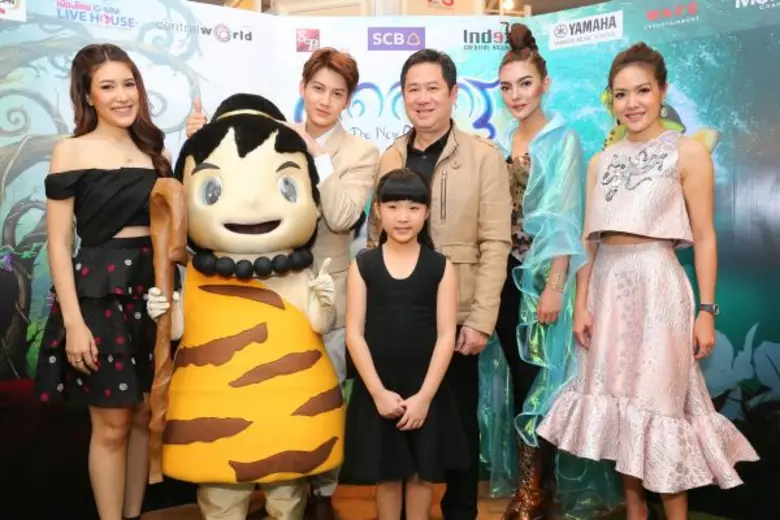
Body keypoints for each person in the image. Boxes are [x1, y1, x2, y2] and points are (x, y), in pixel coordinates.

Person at [536, 42, 759, 520]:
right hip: (607, 289)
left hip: (659, 286)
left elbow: (704, 236)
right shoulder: (600, 162)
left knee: (659, 409)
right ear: (610, 100)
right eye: (621, 94)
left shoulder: (687, 153)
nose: (632, 103)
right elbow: (588, 239)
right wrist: (581, 302)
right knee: (623, 414)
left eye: (642, 91)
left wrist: (707, 310)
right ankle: (636, 513)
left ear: (662, 91)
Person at [184, 47, 379, 519]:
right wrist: (199, 141)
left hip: (324, 297)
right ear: (302, 88)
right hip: (261, 299)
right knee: (264, 403)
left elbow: (343, 217)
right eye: (318, 89)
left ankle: (322, 497)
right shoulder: (273, 136)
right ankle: (266, 495)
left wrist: (317, 157)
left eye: (337, 93)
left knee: (321, 401)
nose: (325, 101)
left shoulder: (361, 153)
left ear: (349, 99)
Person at [367, 49, 512, 520]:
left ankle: (461, 511)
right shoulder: (391, 156)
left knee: (457, 424)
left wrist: (481, 319)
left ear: (453, 94)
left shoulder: (484, 158)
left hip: (459, 312)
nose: (423, 98)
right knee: (399, 424)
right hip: (397, 317)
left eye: (433, 88)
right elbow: (375, 236)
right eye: (414, 89)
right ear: (402, 96)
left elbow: (496, 242)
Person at [33, 43, 173, 520]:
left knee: (142, 417)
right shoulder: (70, 150)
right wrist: (73, 322)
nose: (122, 95)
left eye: (129, 84)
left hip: (151, 292)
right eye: (108, 86)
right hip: (98, 294)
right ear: (88, 95)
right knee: (111, 425)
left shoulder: (155, 151)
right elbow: (58, 244)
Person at [492, 24, 588, 520]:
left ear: (545, 85)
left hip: (544, 280)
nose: (516, 95)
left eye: (525, 84)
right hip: (504, 278)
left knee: (541, 381)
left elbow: (565, 218)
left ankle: (535, 489)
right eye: (507, 86)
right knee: (516, 378)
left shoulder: (562, 139)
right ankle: (530, 481)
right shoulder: (501, 140)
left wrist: (554, 287)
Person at [343, 168, 469, 520]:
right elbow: (354, 333)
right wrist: (377, 392)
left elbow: (446, 335)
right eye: (393, 206)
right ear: (378, 211)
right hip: (379, 387)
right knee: (386, 476)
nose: (403, 217)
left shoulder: (440, 267)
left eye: (413, 208)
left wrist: (425, 397)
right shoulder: (363, 265)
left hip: (425, 387)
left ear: (426, 213)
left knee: (421, 475)